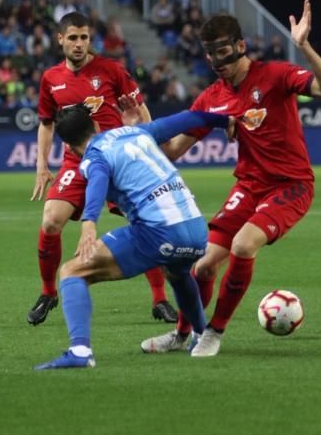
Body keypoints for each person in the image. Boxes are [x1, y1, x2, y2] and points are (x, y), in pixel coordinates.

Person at [141, 0, 321, 358]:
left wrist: (304, 47)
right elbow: (173, 151)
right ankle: (183, 333)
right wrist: (138, 131)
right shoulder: (212, 98)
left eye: (224, 52)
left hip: (290, 185)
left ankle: (214, 333)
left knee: (243, 246)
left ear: (240, 46)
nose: (219, 62)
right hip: (248, 187)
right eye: (211, 55)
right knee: (201, 267)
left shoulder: (276, 75)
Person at [33, 105, 233, 369]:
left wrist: (89, 222)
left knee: (72, 272)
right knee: (177, 272)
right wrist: (224, 121)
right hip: (197, 231)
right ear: (96, 126)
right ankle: (199, 334)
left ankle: (80, 351)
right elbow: (188, 118)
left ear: (68, 147)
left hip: (159, 232)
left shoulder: (94, 158)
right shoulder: (138, 131)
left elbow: (97, 182)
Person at [29, 11, 178, 326]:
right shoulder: (51, 79)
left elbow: (139, 108)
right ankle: (48, 292)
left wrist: (151, 145)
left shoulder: (111, 70)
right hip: (76, 161)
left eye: (84, 37)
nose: (79, 44)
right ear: (60, 40)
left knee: (144, 223)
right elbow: (45, 124)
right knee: (51, 221)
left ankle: (159, 299)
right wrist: (42, 165)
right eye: (73, 38)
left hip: (118, 160)